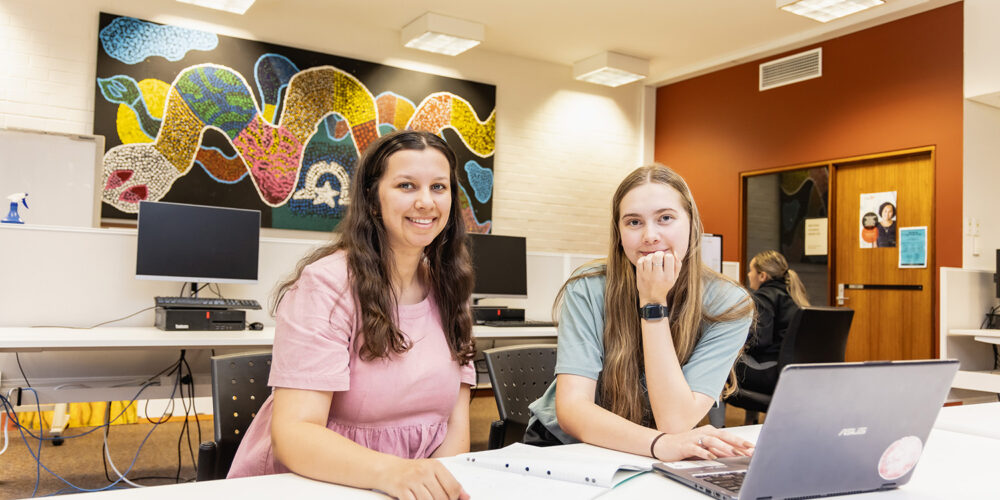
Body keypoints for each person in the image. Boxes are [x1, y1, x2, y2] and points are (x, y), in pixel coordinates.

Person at [227, 130, 474, 500]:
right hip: (311, 483)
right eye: (406, 185)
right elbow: (295, 434)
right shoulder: (326, 285)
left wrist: (433, 487)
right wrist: (397, 474)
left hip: (403, 489)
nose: (426, 201)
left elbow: (457, 424)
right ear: (373, 200)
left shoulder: (451, 286)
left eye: (439, 188)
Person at [525, 164, 756, 462]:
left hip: (660, 447)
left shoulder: (729, 304)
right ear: (619, 233)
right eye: (634, 222)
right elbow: (572, 410)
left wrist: (652, 304)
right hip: (571, 445)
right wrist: (660, 444)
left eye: (666, 218)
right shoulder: (588, 287)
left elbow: (675, 422)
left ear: (692, 224)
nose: (650, 235)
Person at [738, 250, 811, 395]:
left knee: (718, 367)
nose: (748, 275)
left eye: (751, 271)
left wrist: (737, 343)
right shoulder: (793, 295)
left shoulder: (763, 297)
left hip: (771, 372)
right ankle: (749, 419)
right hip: (794, 372)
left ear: (762, 276)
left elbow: (760, 341)